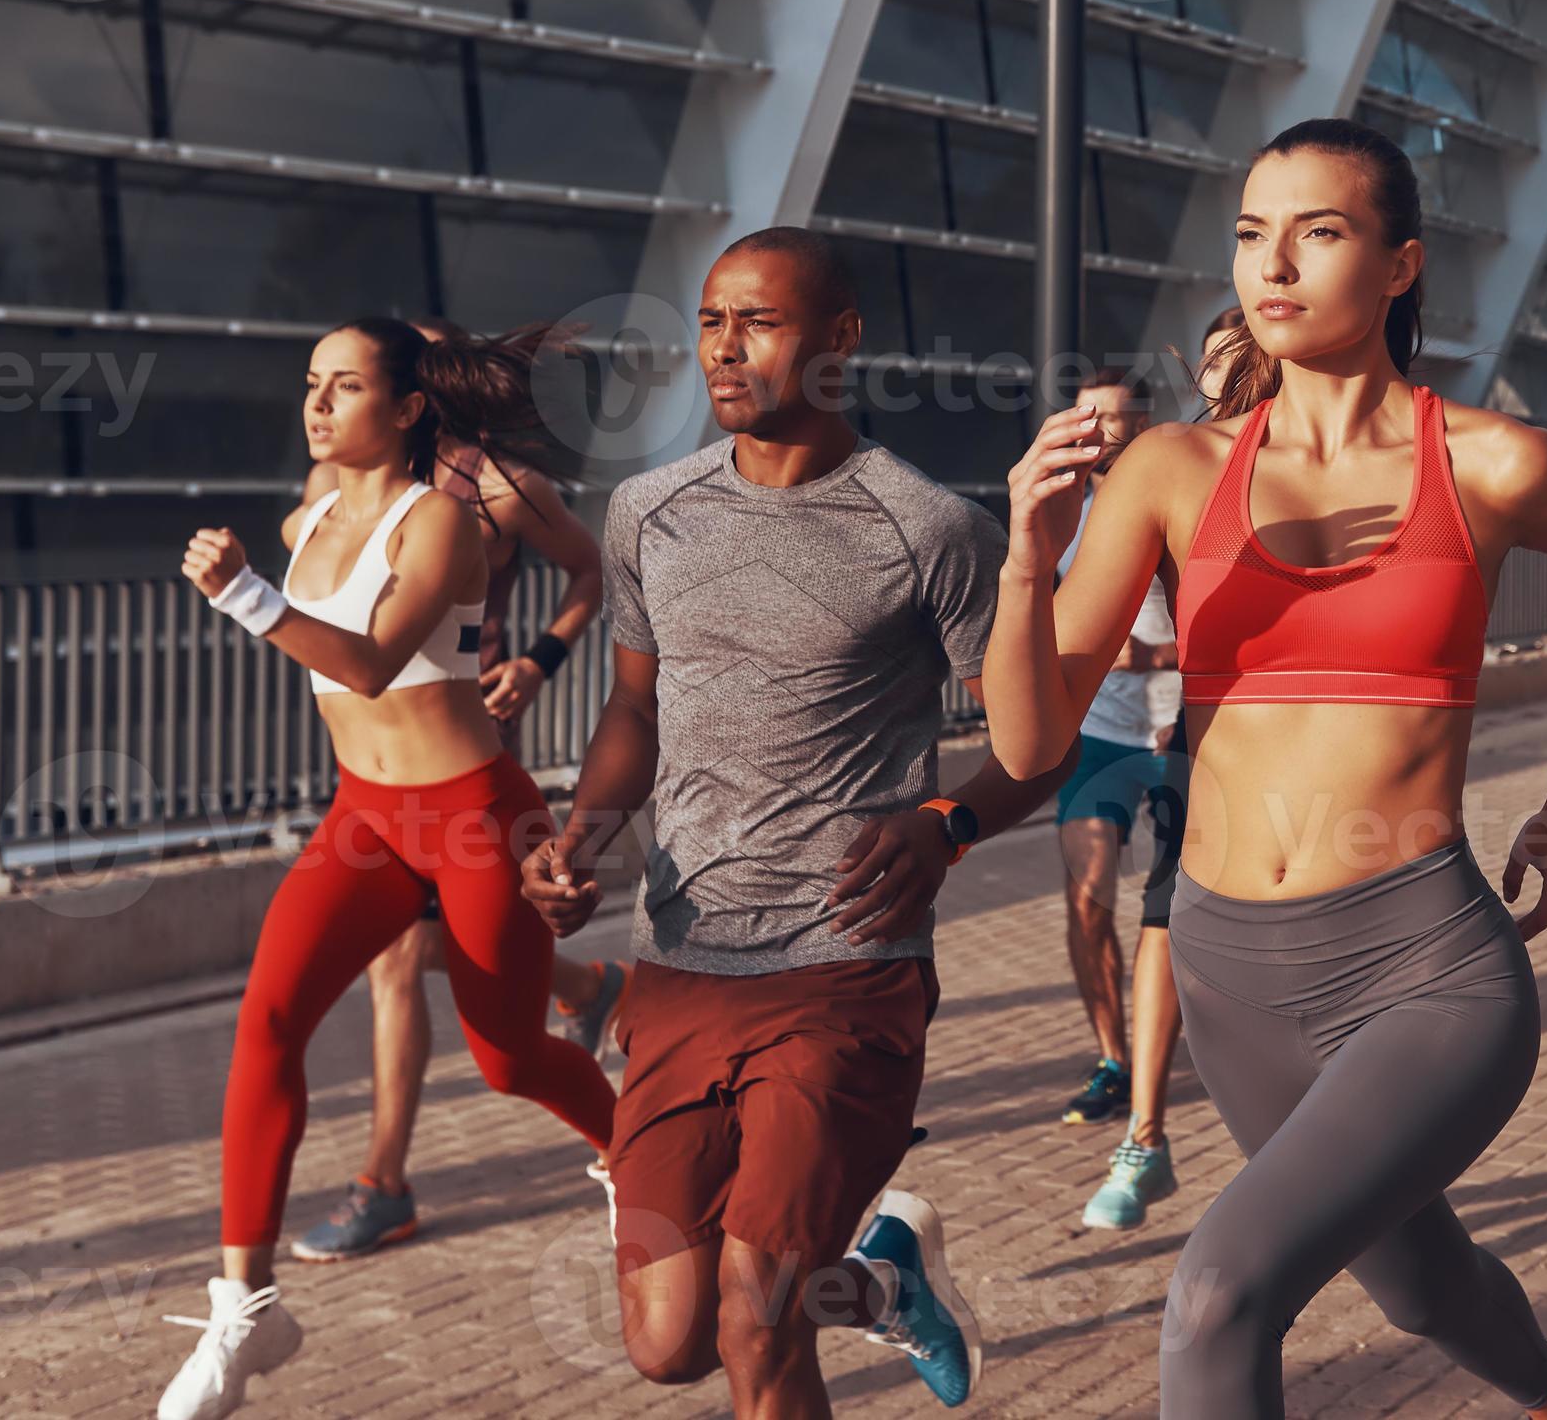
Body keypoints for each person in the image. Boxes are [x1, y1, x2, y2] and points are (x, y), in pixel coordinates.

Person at [986, 120, 1547, 1420]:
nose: (1273, 263)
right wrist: (1029, 551)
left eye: (1320, 231)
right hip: (1229, 968)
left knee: (1217, 1294)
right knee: (1416, 1283)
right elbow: (1029, 741)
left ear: (1400, 264)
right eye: (1252, 234)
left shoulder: (1491, 461)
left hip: (1424, 968)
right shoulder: (1171, 470)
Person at [516, 226, 1073, 1416]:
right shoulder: (649, 512)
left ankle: (835, 1277)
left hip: (846, 970)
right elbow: (631, 704)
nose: (724, 347)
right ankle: (880, 1277)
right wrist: (580, 844)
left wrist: (947, 823)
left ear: (840, 339)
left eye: (756, 321)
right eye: (712, 320)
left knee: (757, 1322)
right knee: (669, 1343)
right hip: (681, 968)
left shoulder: (928, 528)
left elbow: (1040, 744)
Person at [160, 320, 620, 1420]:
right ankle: (245, 1309)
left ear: (409, 404)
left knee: (507, 1056)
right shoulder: (309, 507)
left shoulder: (454, 520)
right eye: (310, 384)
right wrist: (263, 583)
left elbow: (367, 665)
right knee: (267, 1017)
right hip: (361, 818)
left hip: (470, 813)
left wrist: (244, 596)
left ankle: (631, 1149)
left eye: (346, 384)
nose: (317, 404)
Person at [289, 316, 622, 1264]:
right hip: (375, 769)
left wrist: (540, 660)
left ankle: (381, 1186)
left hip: (469, 761)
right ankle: (588, 988)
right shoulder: (342, 485)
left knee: (399, 965)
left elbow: (590, 571)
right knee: (420, 957)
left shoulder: (500, 488)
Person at [1082, 304, 1237, 1233]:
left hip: (1336, 759)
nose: (1225, 372)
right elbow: (1083, 630)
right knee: (1158, 920)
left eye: (1242, 356)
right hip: (1201, 743)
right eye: (1214, 358)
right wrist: (1034, 533)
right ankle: (1143, 1136)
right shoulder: (1178, 462)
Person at [1051, 365, 1182, 1131]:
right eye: (1082, 416)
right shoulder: (1069, 511)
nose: (1094, 430)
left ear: (1143, 422)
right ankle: (1112, 1059)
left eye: (1108, 417)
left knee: (1174, 914)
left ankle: (1178, 1040)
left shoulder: (1179, 495)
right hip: (1097, 733)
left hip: (1177, 730)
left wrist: (1158, 662)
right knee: (1087, 893)